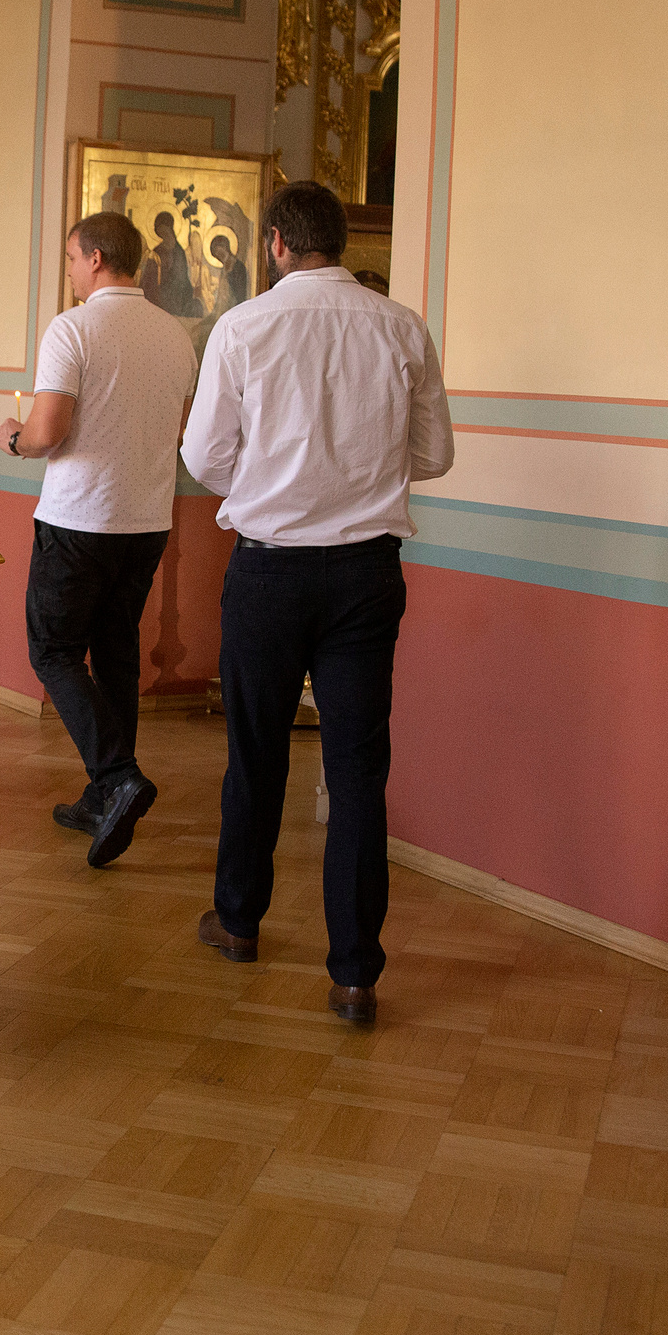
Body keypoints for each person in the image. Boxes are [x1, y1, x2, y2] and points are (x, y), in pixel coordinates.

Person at [180, 180, 453, 1025]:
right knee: (358, 772)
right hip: (367, 575)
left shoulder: (244, 327)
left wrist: (270, 484)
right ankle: (355, 972)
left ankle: (238, 921)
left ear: (273, 244)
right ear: (342, 243)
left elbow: (203, 458)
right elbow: (434, 456)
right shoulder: (401, 325)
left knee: (256, 753)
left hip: (266, 571)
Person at [0, 212, 198, 868]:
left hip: (80, 518)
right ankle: (100, 795)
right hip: (146, 520)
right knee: (115, 655)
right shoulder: (176, 334)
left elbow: (48, 431)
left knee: (53, 649)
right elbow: (181, 432)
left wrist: (12, 436)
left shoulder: (74, 328)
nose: (70, 270)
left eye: (71, 258)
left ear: (95, 257)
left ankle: (116, 779)